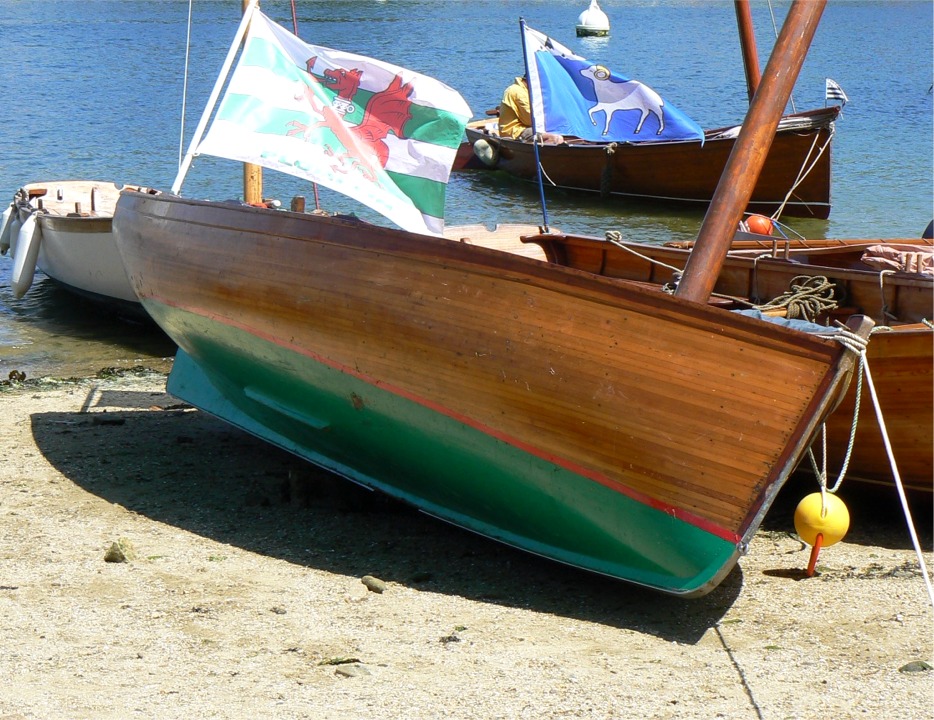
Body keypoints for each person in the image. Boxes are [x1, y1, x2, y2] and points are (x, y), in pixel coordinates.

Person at [498, 76, 564, 145]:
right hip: (516, 131)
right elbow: (530, 120)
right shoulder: (518, 92)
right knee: (556, 139)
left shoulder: (526, 90)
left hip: (527, 128)